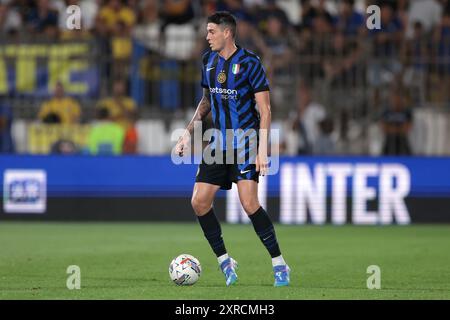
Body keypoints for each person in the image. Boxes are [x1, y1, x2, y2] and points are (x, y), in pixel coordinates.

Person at [175, 12, 290, 287]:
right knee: (199, 202)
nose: (207, 37)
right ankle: (225, 261)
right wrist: (186, 135)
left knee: (249, 204)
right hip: (218, 143)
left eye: (212, 31)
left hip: (246, 143)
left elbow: (265, 110)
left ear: (227, 33)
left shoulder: (250, 63)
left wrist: (263, 150)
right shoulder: (208, 61)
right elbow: (205, 102)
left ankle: (279, 264)